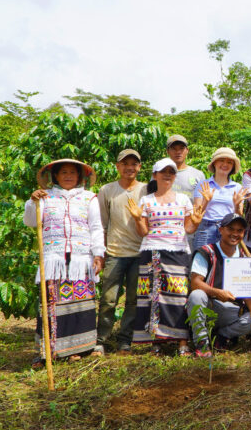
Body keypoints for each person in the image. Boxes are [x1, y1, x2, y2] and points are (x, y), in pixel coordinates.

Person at [24, 158, 105, 365]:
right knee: (51, 303)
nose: (68, 176)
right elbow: (31, 221)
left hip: (80, 258)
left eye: (72, 172)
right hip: (54, 258)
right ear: (55, 177)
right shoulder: (44, 197)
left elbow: (96, 227)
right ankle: (49, 351)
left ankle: (78, 349)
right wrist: (32, 202)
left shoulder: (89, 198)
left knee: (79, 303)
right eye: (64, 173)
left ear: (79, 177)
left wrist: (98, 254)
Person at [127, 158, 204, 355]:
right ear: (155, 175)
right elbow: (143, 231)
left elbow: (187, 228)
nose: (168, 175)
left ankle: (181, 342)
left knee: (179, 296)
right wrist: (137, 218)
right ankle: (156, 341)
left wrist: (195, 222)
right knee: (152, 297)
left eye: (171, 171)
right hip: (152, 251)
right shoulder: (146, 200)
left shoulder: (183, 200)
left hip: (178, 250)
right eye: (163, 171)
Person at [187, 213, 251, 357]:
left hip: (232, 311)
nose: (235, 234)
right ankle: (202, 342)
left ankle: (222, 337)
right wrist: (217, 293)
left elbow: (247, 288)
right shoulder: (206, 252)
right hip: (209, 306)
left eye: (239, 230)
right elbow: (195, 283)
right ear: (221, 230)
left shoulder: (245, 257)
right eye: (231, 229)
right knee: (196, 295)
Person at [96, 149, 147, 354]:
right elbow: (102, 224)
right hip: (115, 253)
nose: (130, 168)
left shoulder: (146, 190)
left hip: (139, 253)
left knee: (134, 300)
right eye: (125, 163)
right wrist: (101, 252)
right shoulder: (107, 190)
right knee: (108, 299)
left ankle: (126, 339)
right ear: (117, 166)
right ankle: (101, 338)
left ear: (139, 167)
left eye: (134, 164)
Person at [193, 147, 248, 249]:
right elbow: (196, 214)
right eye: (221, 160)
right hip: (206, 229)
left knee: (227, 263)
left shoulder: (237, 187)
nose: (225, 164)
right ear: (214, 163)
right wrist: (206, 201)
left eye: (229, 162)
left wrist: (236, 205)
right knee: (202, 260)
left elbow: (239, 216)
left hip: (229, 230)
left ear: (233, 166)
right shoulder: (203, 184)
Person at [167, 134, 206, 249]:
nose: (178, 152)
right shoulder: (160, 173)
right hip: (166, 227)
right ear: (168, 151)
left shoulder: (198, 175)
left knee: (188, 264)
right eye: (174, 149)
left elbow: (201, 204)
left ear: (187, 150)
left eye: (181, 148)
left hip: (189, 230)